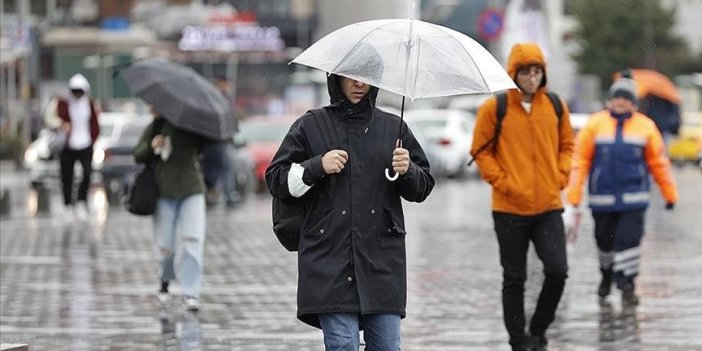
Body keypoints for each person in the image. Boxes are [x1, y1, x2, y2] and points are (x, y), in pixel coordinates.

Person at [265, 66, 434, 348]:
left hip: (382, 262)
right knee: (343, 346)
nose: (359, 84)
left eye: (366, 77)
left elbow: (422, 188)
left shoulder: (395, 128)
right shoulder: (311, 125)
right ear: (336, 78)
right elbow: (276, 179)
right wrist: (315, 166)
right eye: (351, 76)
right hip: (328, 260)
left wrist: (409, 171)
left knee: (387, 347)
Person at [470, 43, 574, 351]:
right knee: (514, 278)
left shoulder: (555, 105)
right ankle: (518, 341)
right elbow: (480, 152)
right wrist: (504, 182)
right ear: (513, 73)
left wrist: (560, 177)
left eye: (537, 71)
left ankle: (538, 331)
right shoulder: (495, 108)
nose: (531, 77)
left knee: (558, 271)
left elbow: (568, 146)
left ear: (543, 73)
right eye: (525, 71)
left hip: (548, 207)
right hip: (509, 209)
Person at [565, 72, 678, 306]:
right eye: (618, 97)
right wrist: (574, 193)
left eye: (627, 98)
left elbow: (659, 163)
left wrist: (669, 193)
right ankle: (606, 274)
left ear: (634, 103)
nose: (621, 102)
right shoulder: (595, 125)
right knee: (604, 242)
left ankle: (628, 284)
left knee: (630, 240)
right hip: (602, 199)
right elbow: (580, 161)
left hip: (634, 199)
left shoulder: (646, 127)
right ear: (610, 100)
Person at [133, 108, 209, 312]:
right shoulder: (156, 125)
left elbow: (207, 146)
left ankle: (191, 292)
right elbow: (138, 154)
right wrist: (153, 145)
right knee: (165, 246)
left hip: (191, 190)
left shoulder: (195, 125)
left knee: (193, 241)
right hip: (164, 191)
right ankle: (165, 282)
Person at [46, 74, 100, 221]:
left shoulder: (89, 104)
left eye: (80, 91)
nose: (77, 94)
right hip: (68, 146)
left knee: (87, 173)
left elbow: (95, 124)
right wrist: (61, 125)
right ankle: (68, 205)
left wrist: (92, 139)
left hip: (85, 145)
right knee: (67, 176)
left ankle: (82, 202)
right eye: (75, 91)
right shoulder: (62, 103)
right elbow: (49, 118)